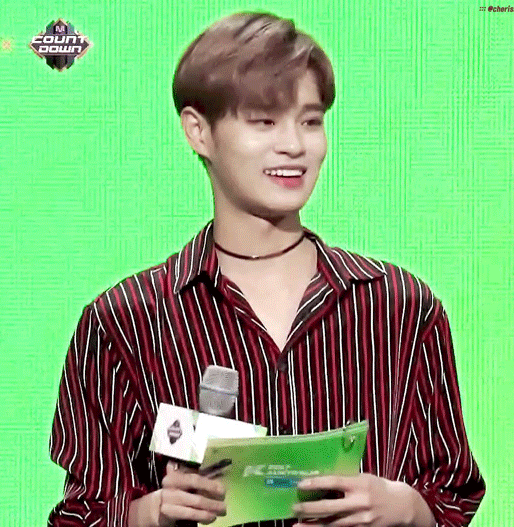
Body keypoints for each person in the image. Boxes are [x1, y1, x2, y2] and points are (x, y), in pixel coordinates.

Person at [48, 10, 485, 527]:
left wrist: (407, 508)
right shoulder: (124, 322)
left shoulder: (399, 307)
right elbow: (81, 514)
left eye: (311, 121)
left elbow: (453, 492)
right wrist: (151, 513)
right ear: (198, 131)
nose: (295, 145)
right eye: (264, 121)